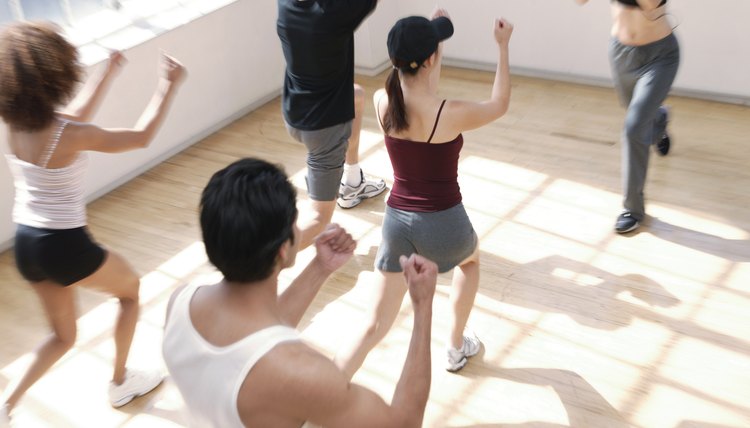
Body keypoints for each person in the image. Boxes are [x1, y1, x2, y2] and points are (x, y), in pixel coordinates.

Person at [0, 21, 186, 423]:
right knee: (131, 292)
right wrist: (167, 85)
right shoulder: (67, 133)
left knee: (63, 337)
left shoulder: (15, 126)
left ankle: (5, 405)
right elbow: (140, 137)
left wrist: (108, 73)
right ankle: (120, 382)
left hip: (27, 245)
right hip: (63, 245)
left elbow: (72, 117)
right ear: (55, 75)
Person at [162, 158, 436, 428]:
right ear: (283, 249)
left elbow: (254, 338)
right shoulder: (301, 373)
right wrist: (422, 307)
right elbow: (404, 422)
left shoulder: (181, 301)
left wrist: (320, 267)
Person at [334, 10, 513, 376]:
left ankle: (327, 384)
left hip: (396, 224)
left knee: (373, 325)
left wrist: (433, 42)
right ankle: (455, 344)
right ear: (431, 59)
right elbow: (500, 104)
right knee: (471, 261)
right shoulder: (450, 113)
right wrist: (502, 47)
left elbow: (420, 85)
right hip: (444, 224)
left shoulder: (385, 103)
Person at [277, 0, 387, 249]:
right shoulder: (334, 15)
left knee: (356, 96)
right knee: (318, 218)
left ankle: (352, 180)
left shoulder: (285, 4)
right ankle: (268, 263)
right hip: (323, 129)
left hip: (294, 111)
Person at [575, 0, 680, 233]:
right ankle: (658, 119)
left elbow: (651, 6)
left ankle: (633, 209)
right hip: (621, 54)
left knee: (633, 129)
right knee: (635, 112)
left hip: (660, 57)